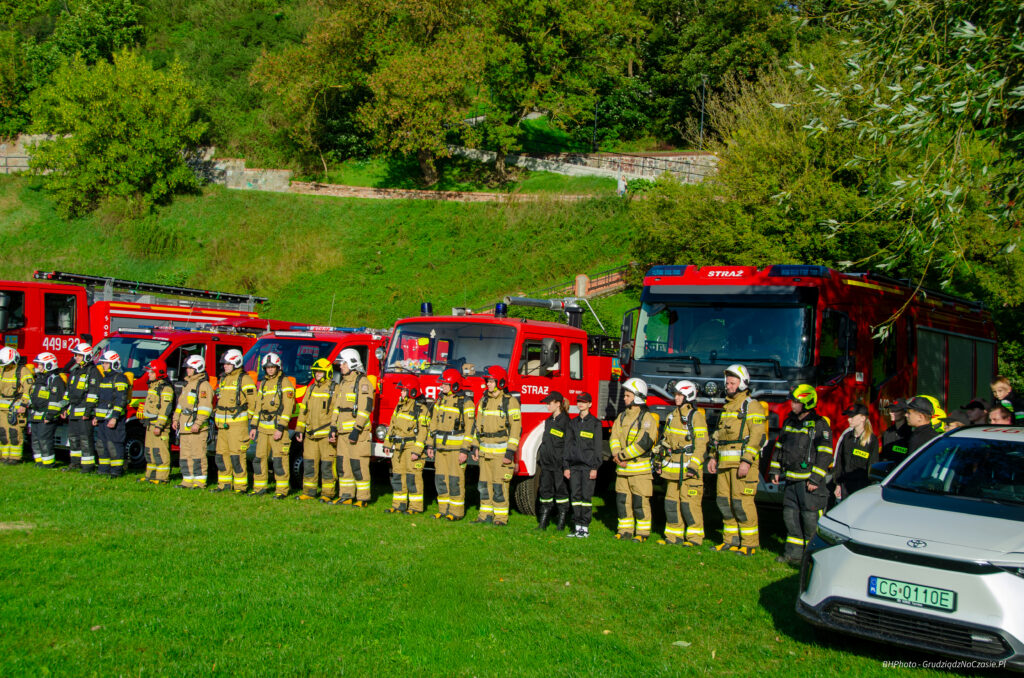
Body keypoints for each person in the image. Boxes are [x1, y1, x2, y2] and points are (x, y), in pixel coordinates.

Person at [770, 384, 833, 565]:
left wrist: (815, 478)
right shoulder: (789, 422)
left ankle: (814, 557)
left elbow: (825, 454)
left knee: (810, 520)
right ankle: (793, 555)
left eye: (796, 402)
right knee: (790, 518)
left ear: (807, 403)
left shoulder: (820, 425)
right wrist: (775, 469)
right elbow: (780, 447)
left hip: (809, 483)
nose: (792, 404)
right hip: (791, 480)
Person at [707, 364, 766, 556]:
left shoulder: (751, 406)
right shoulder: (727, 408)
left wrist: (747, 461)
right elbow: (719, 435)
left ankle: (749, 544)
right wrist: (712, 457)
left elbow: (758, 436)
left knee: (742, 503)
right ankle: (729, 541)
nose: (728, 385)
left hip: (742, 464)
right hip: (724, 464)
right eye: (728, 382)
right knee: (725, 502)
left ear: (743, 384)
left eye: (732, 382)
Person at [656, 380, 707, 546]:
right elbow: (666, 441)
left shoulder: (696, 417)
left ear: (688, 396)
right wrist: (659, 459)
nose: (676, 397)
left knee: (689, 504)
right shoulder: (672, 416)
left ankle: (694, 538)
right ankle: (673, 536)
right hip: (672, 468)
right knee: (671, 503)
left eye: (679, 394)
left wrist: (694, 466)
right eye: (676, 394)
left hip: (689, 469)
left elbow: (701, 445)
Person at [470, 365, 522, 526]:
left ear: (500, 382)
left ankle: (500, 518)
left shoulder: (510, 402)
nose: (488, 384)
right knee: (484, 486)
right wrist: (475, 446)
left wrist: (509, 453)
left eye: (491, 381)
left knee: (499, 486)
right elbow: (477, 426)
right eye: (487, 381)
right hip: (485, 453)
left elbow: (516, 428)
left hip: (501, 453)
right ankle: (485, 515)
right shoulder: (484, 401)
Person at [609, 377, 658, 542]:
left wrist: (622, 456)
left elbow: (644, 443)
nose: (624, 398)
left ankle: (642, 533)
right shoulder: (622, 416)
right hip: (622, 470)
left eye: (627, 395)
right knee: (622, 502)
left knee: (640, 502)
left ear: (637, 397)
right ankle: (625, 530)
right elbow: (614, 437)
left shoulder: (647, 419)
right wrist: (616, 454)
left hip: (639, 472)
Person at [426, 368, 476, 521]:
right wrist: (430, 445)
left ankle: (457, 512)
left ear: (454, 385)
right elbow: (432, 424)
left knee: (455, 481)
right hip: (440, 449)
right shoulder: (440, 400)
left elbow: (470, 429)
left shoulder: (466, 403)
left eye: (445, 385)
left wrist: (464, 450)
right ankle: (443, 510)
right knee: (440, 479)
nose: (442, 387)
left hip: (456, 450)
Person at [249, 353, 295, 498]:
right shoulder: (263, 383)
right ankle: (259, 487)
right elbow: (258, 406)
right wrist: (254, 426)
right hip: (262, 429)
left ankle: (281, 490)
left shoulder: (285, 383)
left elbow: (288, 407)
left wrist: (281, 427)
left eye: (272, 367)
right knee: (259, 458)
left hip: (277, 429)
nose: (270, 370)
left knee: (279, 460)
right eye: (267, 367)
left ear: (277, 367)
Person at [211, 349, 256, 493]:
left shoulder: (245, 379)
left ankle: (240, 487)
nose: (224, 366)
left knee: (237, 456)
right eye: (224, 364)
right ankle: (224, 484)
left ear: (236, 363)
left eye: (227, 364)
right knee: (221, 455)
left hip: (237, 425)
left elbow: (253, 402)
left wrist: (246, 418)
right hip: (222, 425)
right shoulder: (224, 379)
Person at [333, 349, 374, 507]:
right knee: (343, 466)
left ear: (352, 363)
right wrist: (332, 427)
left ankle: (362, 498)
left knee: (358, 465)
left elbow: (365, 409)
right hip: (342, 432)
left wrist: (357, 429)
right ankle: (346, 495)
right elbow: (337, 408)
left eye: (343, 363)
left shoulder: (363, 384)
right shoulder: (343, 383)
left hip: (358, 433)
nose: (341, 366)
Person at [383, 376, 430, 514]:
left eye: (403, 391)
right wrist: (387, 443)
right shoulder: (399, 406)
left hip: (411, 448)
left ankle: (415, 508)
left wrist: (417, 451)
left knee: (413, 478)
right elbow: (392, 426)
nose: (401, 393)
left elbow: (423, 432)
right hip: (398, 448)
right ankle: (399, 505)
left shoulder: (421, 409)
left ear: (412, 392)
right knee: (398, 477)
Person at [294, 358, 338, 502]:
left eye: (320, 372)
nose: (317, 374)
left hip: (326, 436)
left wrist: (334, 431)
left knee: (327, 465)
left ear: (327, 373)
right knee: (309, 464)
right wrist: (299, 429)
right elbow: (303, 410)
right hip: (310, 435)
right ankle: (309, 491)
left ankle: (327, 493)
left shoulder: (334, 389)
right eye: (316, 372)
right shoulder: (311, 388)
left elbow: (337, 412)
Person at [563, 392, 602, 539]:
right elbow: (568, 446)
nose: (581, 404)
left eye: (584, 402)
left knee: (586, 497)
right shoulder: (573, 423)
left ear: (590, 404)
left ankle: (585, 528)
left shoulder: (596, 424)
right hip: (574, 467)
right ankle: (576, 527)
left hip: (588, 467)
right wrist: (566, 466)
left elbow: (598, 448)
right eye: (579, 401)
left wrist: (594, 467)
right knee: (575, 496)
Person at [172, 355, 213, 489]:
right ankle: (187, 481)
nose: (187, 370)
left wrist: (198, 423)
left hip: (197, 428)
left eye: (190, 368)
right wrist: (175, 419)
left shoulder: (203, 385)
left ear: (197, 368)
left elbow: (205, 408)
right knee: (185, 455)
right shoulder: (188, 384)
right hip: (184, 427)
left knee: (197, 456)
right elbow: (180, 405)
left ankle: (199, 482)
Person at [533, 389, 570, 530]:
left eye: (549, 403)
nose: (547, 405)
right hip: (546, 464)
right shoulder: (549, 421)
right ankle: (543, 522)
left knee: (561, 492)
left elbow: (568, 445)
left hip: (559, 464)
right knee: (545, 492)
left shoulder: (566, 422)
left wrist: (566, 465)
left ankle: (561, 522)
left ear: (558, 404)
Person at [92, 350, 131, 478]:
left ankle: (116, 471)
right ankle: (103, 469)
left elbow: (121, 400)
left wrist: (114, 417)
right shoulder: (105, 379)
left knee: (114, 444)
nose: (103, 365)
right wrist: (96, 417)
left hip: (114, 419)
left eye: (106, 363)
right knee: (102, 445)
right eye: (103, 363)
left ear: (113, 364)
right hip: (103, 419)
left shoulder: (120, 378)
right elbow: (101, 399)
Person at [63, 342, 100, 473]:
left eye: (79, 355)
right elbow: (68, 392)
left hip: (84, 412)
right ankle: (75, 463)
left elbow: (93, 393)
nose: (76, 358)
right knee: (73, 438)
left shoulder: (92, 372)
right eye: (76, 355)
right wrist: (64, 408)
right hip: (73, 411)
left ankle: (88, 466)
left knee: (85, 439)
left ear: (87, 357)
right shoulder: (75, 371)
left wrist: (89, 411)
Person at [139, 359, 175, 484]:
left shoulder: (166, 388)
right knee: (150, 451)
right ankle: (151, 476)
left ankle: (162, 478)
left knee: (161, 452)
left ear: (158, 372)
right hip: (150, 424)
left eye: (151, 372)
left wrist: (159, 426)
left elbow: (165, 409)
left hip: (159, 426)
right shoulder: (153, 386)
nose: (148, 374)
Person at [833, 403, 879, 502]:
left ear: (863, 418)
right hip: (845, 487)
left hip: (861, 489)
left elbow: (873, 466)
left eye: (852, 416)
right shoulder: (847, 437)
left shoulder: (872, 440)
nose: (849, 419)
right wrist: (838, 484)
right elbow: (839, 462)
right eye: (849, 416)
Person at [27, 352, 65, 468]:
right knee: (35, 439)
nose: (38, 367)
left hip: (46, 416)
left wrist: (50, 416)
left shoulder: (55, 380)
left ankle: (48, 463)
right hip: (35, 415)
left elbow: (56, 401)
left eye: (40, 364)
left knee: (44, 439)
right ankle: (39, 462)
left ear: (49, 365)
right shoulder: (40, 379)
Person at [0, 347, 33, 465]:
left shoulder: (22, 371)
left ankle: (15, 458)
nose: (7, 366)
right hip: (2, 407)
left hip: (16, 406)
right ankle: (4, 456)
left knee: (15, 432)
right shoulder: (2, 369)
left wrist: (24, 404)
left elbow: (28, 389)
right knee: (3, 432)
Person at [879, 399, 912, 463]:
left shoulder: (910, 433)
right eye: (891, 410)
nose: (891, 413)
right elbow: (884, 455)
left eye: (895, 410)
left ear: (904, 413)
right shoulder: (888, 432)